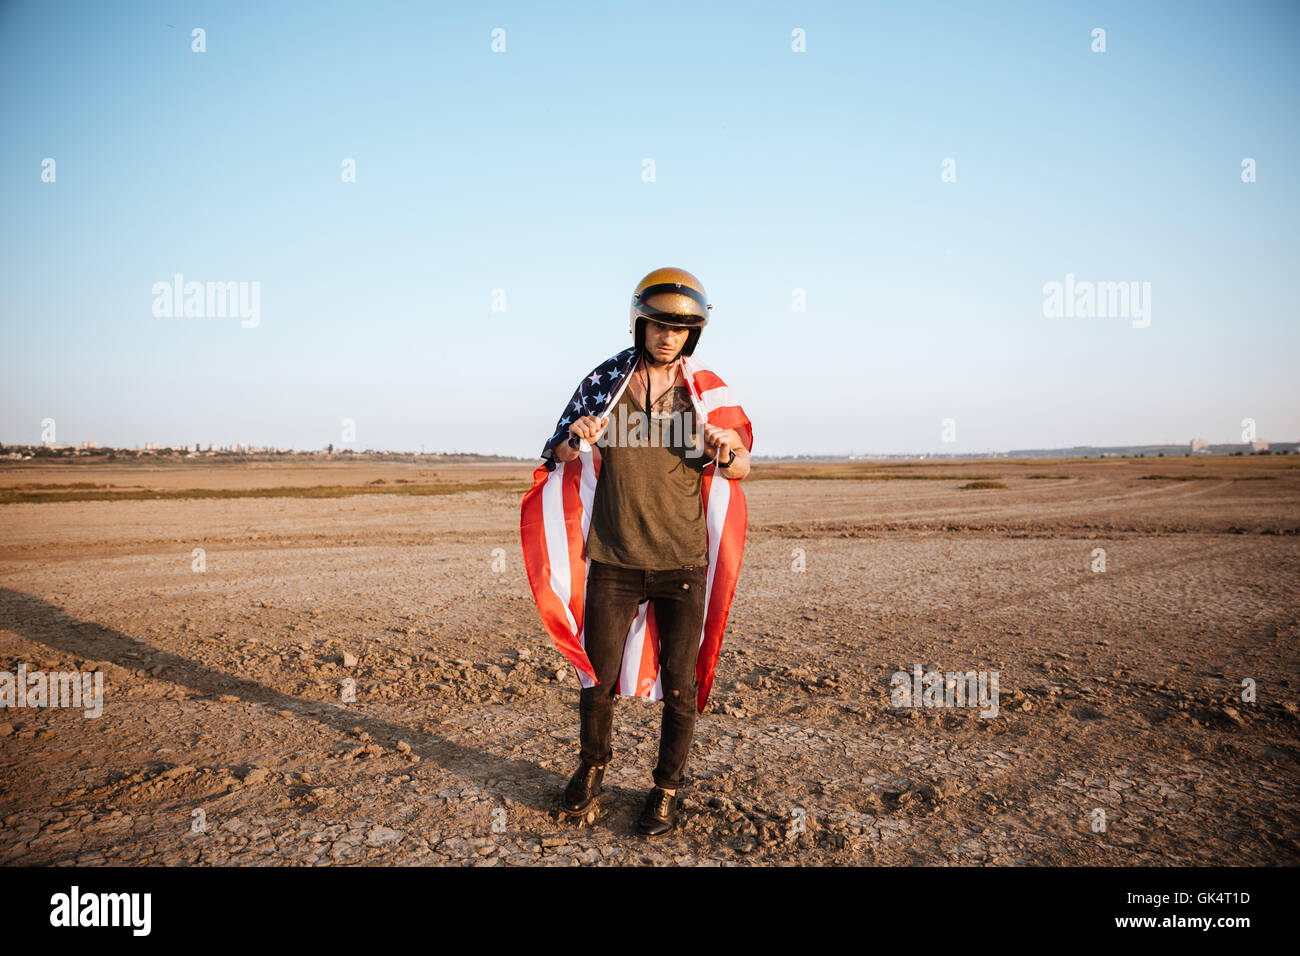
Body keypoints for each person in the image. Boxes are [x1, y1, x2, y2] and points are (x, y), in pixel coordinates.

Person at [542, 267, 751, 835]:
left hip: (683, 563)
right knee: (597, 676)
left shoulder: (706, 394)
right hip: (612, 559)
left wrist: (726, 449)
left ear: (693, 335)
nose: (668, 336)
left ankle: (665, 789)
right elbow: (554, 454)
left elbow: (742, 467)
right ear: (641, 324)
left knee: (682, 684)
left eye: (681, 329)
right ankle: (591, 770)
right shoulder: (605, 382)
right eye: (659, 325)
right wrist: (576, 436)